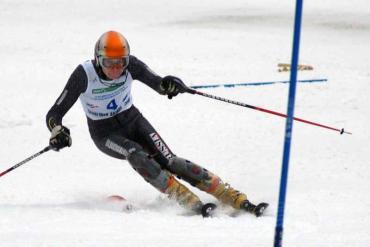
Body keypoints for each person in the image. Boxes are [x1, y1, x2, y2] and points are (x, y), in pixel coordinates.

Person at [46, 30, 268, 217]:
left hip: (133, 120)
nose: (115, 70)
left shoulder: (132, 65)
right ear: (97, 60)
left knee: (172, 162)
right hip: (105, 133)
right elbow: (54, 113)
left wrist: (170, 85)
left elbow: (160, 85)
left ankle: (231, 196)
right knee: (136, 153)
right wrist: (58, 131)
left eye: (120, 63)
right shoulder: (83, 75)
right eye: (108, 63)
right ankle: (186, 199)